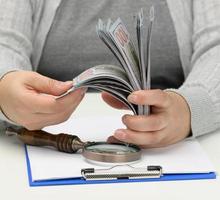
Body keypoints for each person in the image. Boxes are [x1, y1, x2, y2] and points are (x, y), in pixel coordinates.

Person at [0, 0, 219, 148]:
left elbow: (216, 46)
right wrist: (4, 88)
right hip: (42, 142)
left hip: (176, 146)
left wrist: (191, 108)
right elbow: (4, 42)